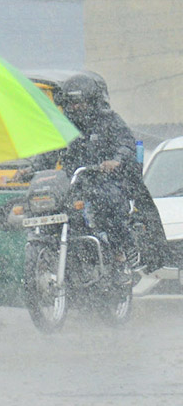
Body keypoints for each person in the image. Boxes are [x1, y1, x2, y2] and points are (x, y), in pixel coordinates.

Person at [28, 73, 167, 272]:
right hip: (74, 182)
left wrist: (116, 160)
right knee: (50, 204)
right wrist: (31, 169)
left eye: (80, 102)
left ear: (93, 101)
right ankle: (59, 252)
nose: (75, 107)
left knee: (107, 201)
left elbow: (125, 143)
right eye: (71, 103)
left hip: (105, 180)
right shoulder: (64, 125)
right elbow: (50, 151)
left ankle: (122, 251)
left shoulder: (109, 121)